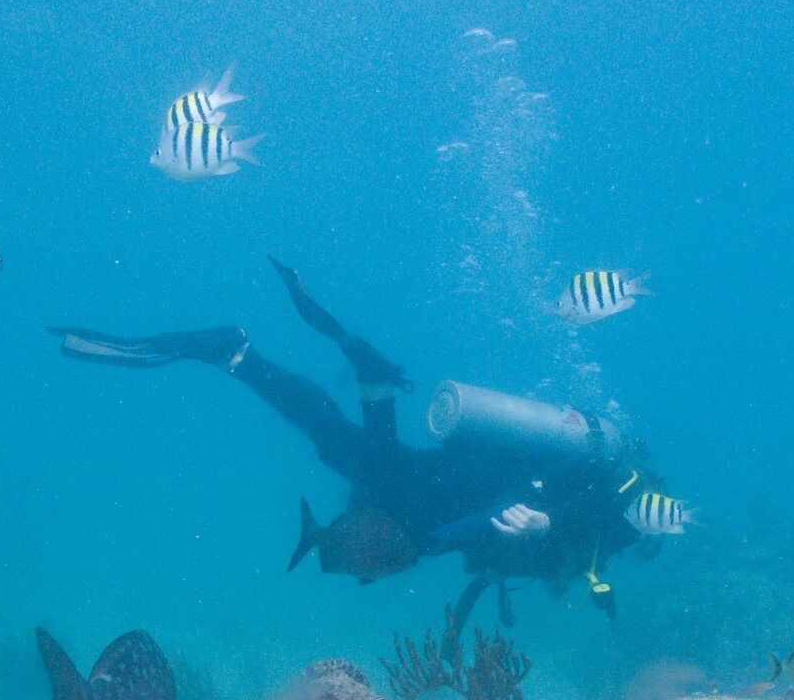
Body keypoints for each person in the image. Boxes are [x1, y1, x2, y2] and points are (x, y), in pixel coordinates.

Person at [48, 258, 653, 623]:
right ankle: (240, 354)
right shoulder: (628, 513)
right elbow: (600, 511)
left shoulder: (611, 508)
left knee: (369, 467)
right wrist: (551, 526)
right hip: (470, 494)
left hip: (456, 503)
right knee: (352, 454)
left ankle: (372, 381)